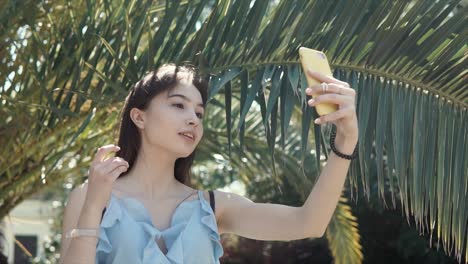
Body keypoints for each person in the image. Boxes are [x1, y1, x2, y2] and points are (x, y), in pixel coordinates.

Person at [58, 64, 358, 264]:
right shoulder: (89, 198)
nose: (193, 119)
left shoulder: (213, 207)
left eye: (199, 113)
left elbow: (309, 223)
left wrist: (346, 140)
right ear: (139, 117)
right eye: (178, 105)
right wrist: (93, 207)